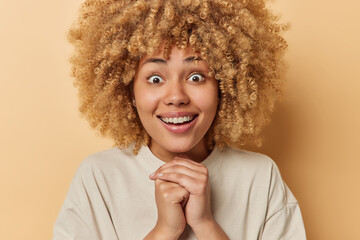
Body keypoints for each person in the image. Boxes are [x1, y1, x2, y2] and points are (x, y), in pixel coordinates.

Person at [53, 0, 306, 239]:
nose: (176, 97)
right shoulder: (98, 177)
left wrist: (206, 225)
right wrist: (165, 231)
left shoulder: (260, 177)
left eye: (196, 77)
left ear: (224, 87)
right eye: (155, 79)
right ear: (128, 91)